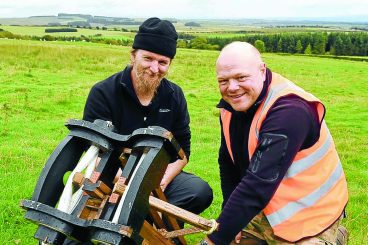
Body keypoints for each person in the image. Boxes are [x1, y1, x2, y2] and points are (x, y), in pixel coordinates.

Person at [200, 42, 348, 245]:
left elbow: (258, 184)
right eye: (223, 80)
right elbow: (228, 163)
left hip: (313, 213)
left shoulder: (289, 111)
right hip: (268, 207)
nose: (232, 87)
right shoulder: (231, 107)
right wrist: (228, 222)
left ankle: (335, 237)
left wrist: (214, 239)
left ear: (262, 70)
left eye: (241, 77)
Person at [83, 17, 213, 223]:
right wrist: (134, 186)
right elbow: (94, 154)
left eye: (163, 62)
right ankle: (135, 220)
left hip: (157, 177)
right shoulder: (104, 92)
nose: (155, 68)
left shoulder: (174, 95)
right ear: (133, 56)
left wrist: (159, 184)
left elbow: (182, 153)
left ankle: (148, 223)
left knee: (199, 191)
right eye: (148, 58)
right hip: (112, 176)